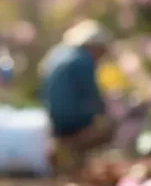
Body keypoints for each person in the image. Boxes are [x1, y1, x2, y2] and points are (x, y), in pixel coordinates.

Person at [41, 20, 115, 172]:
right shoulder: (83, 60)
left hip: (53, 118)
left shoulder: (57, 53)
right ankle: (73, 155)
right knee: (109, 125)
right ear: (93, 46)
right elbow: (92, 96)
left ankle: (68, 154)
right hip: (72, 119)